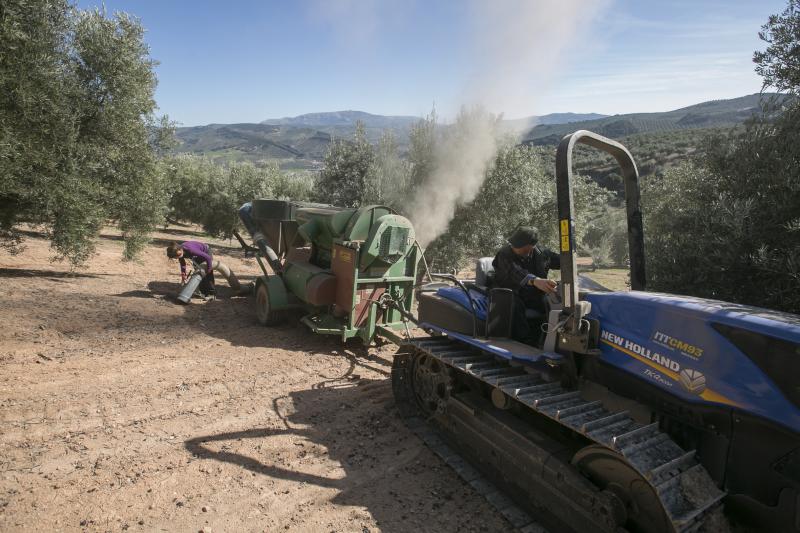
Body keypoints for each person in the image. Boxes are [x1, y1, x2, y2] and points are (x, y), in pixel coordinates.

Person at [492, 226, 560, 342]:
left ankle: (551, 338)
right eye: (514, 245)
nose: (514, 248)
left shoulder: (542, 254)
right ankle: (523, 341)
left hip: (532, 294)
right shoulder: (504, 254)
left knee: (555, 302)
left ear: (531, 246)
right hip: (508, 291)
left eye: (519, 246)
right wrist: (535, 280)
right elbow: (514, 272)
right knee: (513, 303)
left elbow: (562, 261)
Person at [166, 241, 246, 299]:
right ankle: (203, 292)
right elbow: (183, 264)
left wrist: (209, 268)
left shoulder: (191, 250)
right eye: (176, 257)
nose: (178, 257)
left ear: (180, 249)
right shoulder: (180, 252)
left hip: (206, 252)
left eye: (178, 255)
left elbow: (207, 257)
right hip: (197, 256)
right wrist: (183, 275)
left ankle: (212, 293)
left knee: (207, 273)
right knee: (199, 272)